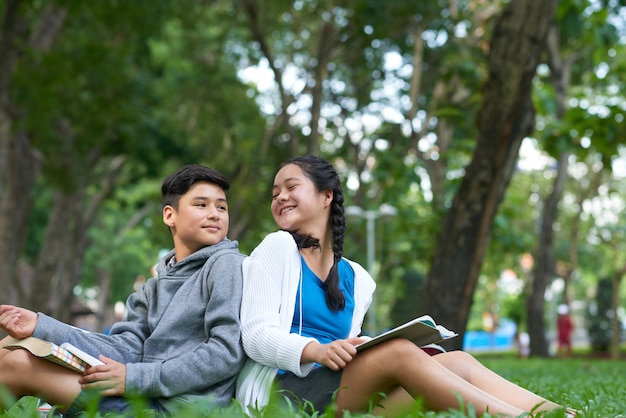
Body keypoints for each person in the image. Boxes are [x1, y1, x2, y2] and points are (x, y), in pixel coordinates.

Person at [236, 155, 578, 417]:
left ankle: (559, 412)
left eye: (291, 187)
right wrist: (318, 351)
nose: (280, 197)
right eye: (275, 192)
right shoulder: (276, 247)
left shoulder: (357, 278)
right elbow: (254, 336)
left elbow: (345, 351)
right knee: (399, 353)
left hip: (339, 394)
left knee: (458, 361)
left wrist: (359, 348)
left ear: (326, 196)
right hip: (284, 397)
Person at [0, 164, 246, 415]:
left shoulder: (225, 264)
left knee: (18, 364)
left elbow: (225, 352)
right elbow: (126, 349)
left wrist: (133, 378)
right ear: (170, 215)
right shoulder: (154, 287)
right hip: (142, 396)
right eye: (202, 205)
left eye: (221, 207)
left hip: (177, 410)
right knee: (11, 345)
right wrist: (42, 327)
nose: (215, 214)